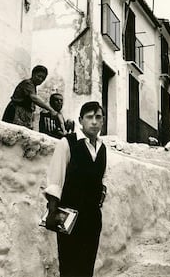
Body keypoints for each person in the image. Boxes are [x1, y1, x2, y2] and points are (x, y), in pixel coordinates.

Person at [44, 101, 107, 277]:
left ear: (103, 121)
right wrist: (52, 211)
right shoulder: (67, 143)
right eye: (89, 117)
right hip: (69, 217)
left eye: (98, 117)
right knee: (70, 266)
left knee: (87, 265)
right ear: (81, 120)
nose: (94, 122)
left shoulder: (103, 148)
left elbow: (101, 179)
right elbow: (56, 180)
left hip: (93, 217)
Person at [2, 65, 59, 129]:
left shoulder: (33, 86)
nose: (40, 79)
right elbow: (34, 98)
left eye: (43, 78)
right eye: (39, 76)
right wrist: (50, 109)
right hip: (16, 112)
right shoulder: (28, 83)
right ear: (33, 74)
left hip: (24, 114)